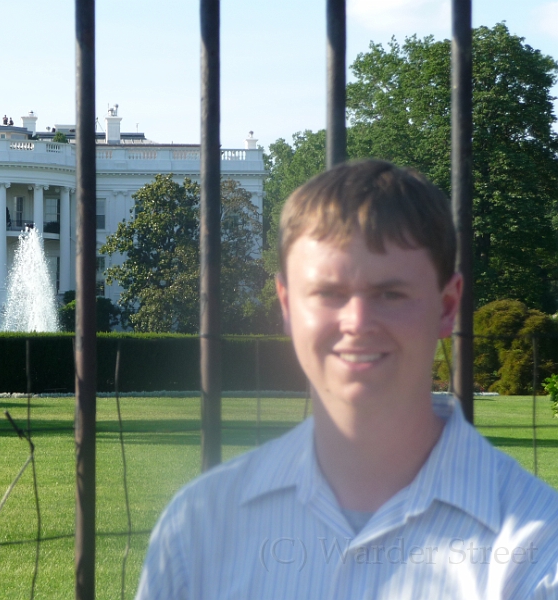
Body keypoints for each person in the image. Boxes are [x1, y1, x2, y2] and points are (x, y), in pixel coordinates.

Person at [135, 160, 558, 599]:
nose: (357, 322)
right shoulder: (197, 527)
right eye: (329, 294)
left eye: (390, 294)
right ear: (286, 304)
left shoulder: (540, 548)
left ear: (448, 306)